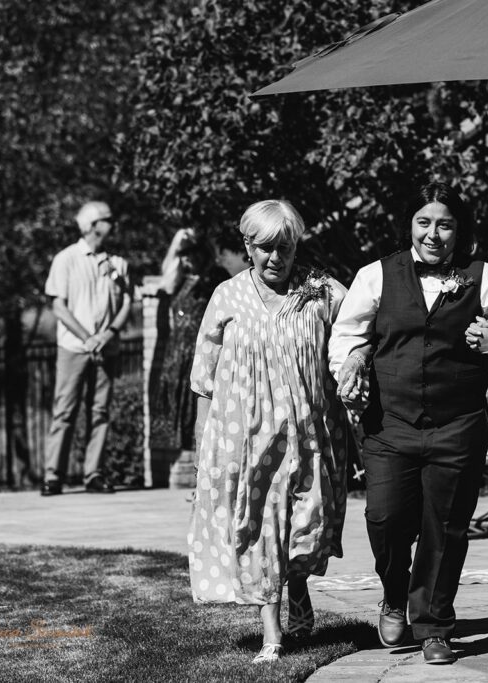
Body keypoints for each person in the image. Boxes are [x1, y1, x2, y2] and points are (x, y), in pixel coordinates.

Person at [329, 182, 488, 665]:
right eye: (424, 222)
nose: (433, 234)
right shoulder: (376, 275)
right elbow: (347, 335)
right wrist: (350, 364)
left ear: (459, 229)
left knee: (447, 527)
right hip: (389, 422)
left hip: (458, 424)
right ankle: (395, 595)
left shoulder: (487, 277)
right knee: (385, 518)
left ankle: (434, 624)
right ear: (410, 224)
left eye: (445, 224)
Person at [187, 199, 349, 665]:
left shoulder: (321, 293)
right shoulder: (227, 297)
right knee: (259, 533)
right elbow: (204, 377)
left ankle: (296, 586)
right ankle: (272, 634)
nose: (276, 258)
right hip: (247, 439)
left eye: (286, 247)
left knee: (308, 530)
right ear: (247, 246)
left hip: (312, 436)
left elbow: (360, 329)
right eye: (265, 248)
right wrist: (205, 448)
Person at [41, 200, 132, 496]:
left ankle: (93, 474)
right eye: (108, 219)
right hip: (74, 348)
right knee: (64, 411)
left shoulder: (118, 263)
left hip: (106, 348)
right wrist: (87, 337)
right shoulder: (65, 259)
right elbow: (58, 305)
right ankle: (53, 476)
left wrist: (107, 335)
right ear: (93, 225)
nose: (113, 224)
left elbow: (127, 301)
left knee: (100, 412)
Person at [150, 229, 228, 455]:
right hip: (178, 355)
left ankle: (202, 473)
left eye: (191, 253)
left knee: (203, 413)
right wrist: (177, 243)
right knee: (181, 416)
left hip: (202, 352)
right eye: (182, 255)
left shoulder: (215, 277)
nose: (187, 259)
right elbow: (166, 281)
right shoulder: (179, 279)